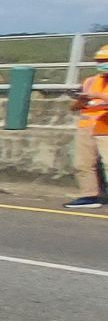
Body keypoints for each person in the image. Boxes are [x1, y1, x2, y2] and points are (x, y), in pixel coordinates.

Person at [69, 44, 108, 209]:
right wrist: (82, 100)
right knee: (82, 164)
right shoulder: (90, 81)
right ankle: (89, 196)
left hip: (105, 126)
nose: (102, 64)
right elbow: (73, 108)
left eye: (105, 61)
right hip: (86, 126)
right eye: (100, 61)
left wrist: (97, 95)